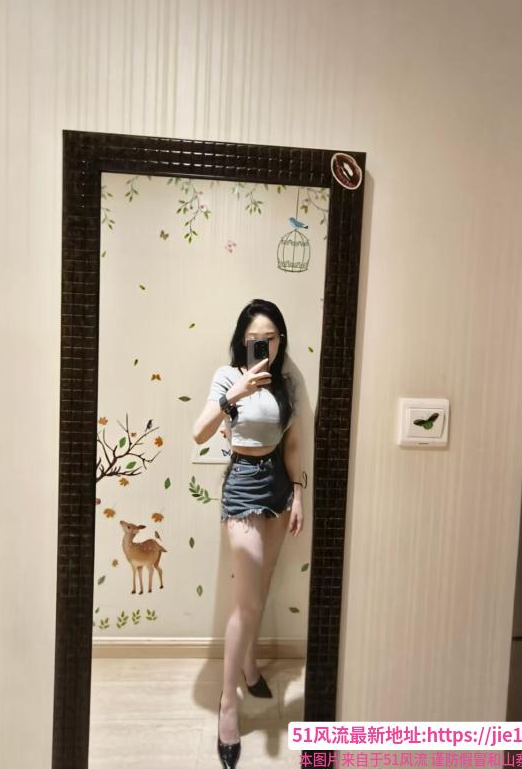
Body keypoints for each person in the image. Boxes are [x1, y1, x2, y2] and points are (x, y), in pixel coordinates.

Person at [192, 299, 306, 768]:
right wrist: (234, 394)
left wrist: (298, 492)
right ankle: (228, 703)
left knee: (265, 584)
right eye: (256, 338)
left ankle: (250, 664)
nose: (264, 345)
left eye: (271, 338)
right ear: (243, 340)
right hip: (241, 482)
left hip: (279, 484)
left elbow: (293, 444)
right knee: (249, 600)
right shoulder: (227, 376)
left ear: (281, 340)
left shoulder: (287, 384)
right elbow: (199, 432)